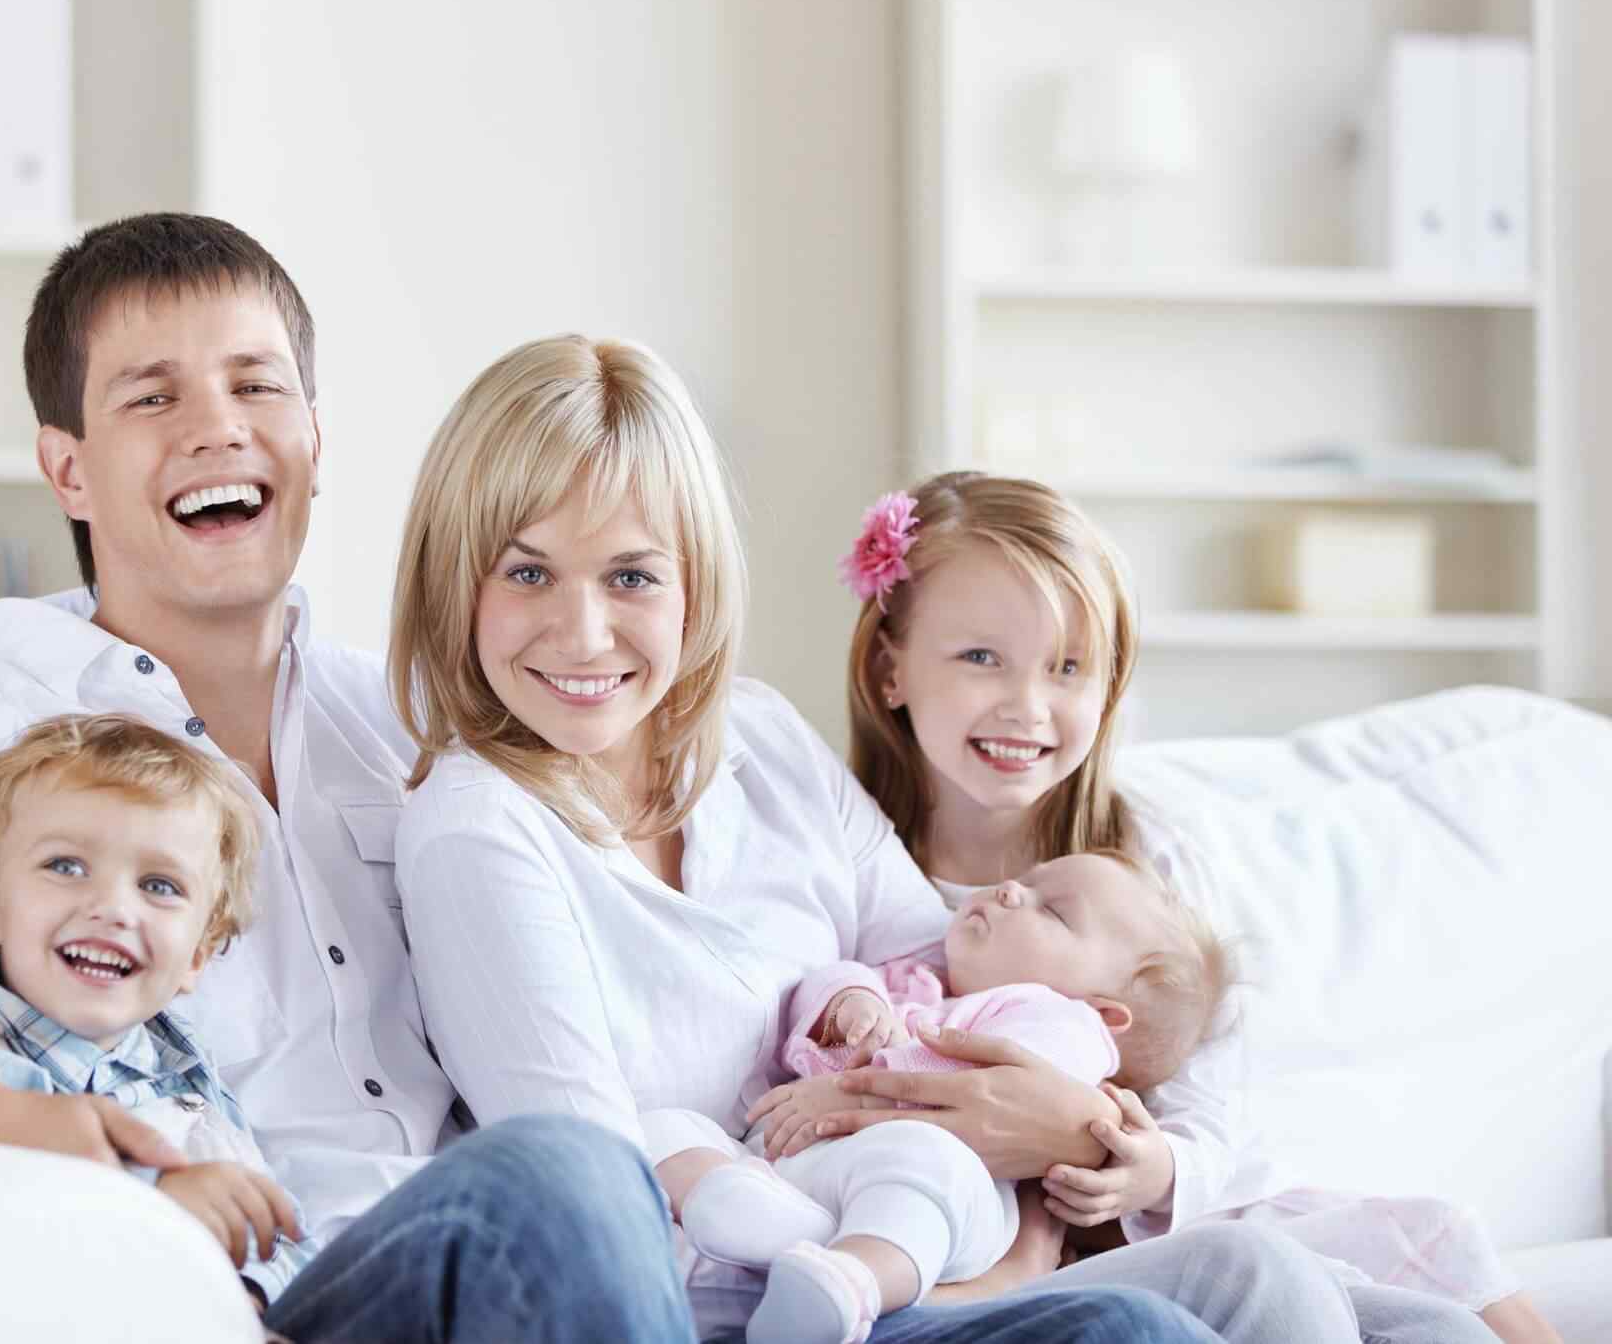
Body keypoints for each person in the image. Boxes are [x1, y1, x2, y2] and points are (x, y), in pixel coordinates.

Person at [0, 214, 691, 1344]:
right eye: (152, 398)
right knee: (571, 1176)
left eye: (256, 386)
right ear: (68, 470)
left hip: (497, 1279)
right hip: (245, 1297)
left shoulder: (414, 727)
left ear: (313, 438)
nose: (217, 427)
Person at [386, 332, 1365, 1343]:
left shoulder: (757, 735)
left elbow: (937, 970)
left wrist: (1035, 1183)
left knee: (1268, 1278)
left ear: (694, 584)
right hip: (750, 1300)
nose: (585, 633)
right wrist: (936, 1259)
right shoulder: (478, 829)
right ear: (455, 582)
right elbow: (589, 1200)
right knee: (1133, 1333)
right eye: (528, 572)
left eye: (632, 577)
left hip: (923, 1245)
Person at [810, 469, 1561, 1344]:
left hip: (1177, 1209)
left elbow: (1210, 1107)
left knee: (1438, 1286)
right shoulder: (848, 861)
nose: (1027, 706)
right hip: (998, 1242)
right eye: (981, 658)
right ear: (889, 667)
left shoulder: (1144, 855)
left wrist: (1137, 1158)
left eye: (1067, 668)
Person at [665, 850, 1232, 1344]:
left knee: (924, 1166)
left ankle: (854, 1281)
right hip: (798, 1164)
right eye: (1026, 880)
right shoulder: (921, 980)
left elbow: (980, 1085)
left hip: (929, 1185)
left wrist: (856, 1087)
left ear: (1104, 1012)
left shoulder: (1066, 1026)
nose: (1010, 890)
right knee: (670, 1126)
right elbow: (828, 981)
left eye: (1052, 911)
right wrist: (849, 1001)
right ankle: (737, 1214)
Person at [0, 713, 314, 1314]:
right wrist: (163, 1214)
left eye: (159, 886)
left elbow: (276, 1234)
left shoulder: (182, 1065)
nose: (114, 908)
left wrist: (252, 1291)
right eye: (66, 867)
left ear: (196, 956)